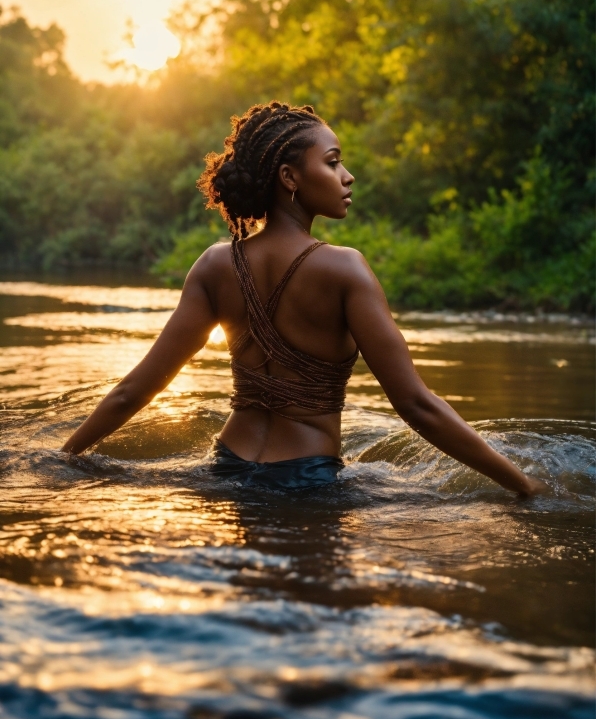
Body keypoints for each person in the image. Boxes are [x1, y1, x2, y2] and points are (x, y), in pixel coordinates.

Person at [61, 101, 547, 496]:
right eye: (333, 162)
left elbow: (135, 390)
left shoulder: (214, 265)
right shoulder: (345, 269)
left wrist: (64, 458)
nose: (347, 175)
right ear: (290, 178)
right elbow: (416, 406)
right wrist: (521, 484)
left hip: (225, 469)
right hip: (308, 479)